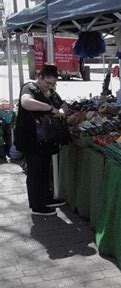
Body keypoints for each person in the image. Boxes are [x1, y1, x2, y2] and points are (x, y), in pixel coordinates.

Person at [15, 65, 68, 216]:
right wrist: (50, 108)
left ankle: (46, 198)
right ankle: (37, 205)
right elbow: (26, 103)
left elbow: (63, 105)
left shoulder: (51, 92)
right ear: (40, 77)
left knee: (45, 169)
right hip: (31, 137)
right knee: (35, 171)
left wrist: (62, 110)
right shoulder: (30, 88)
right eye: (48, 83)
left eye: (53, 84)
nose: (50, 86)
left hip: (45, 139)